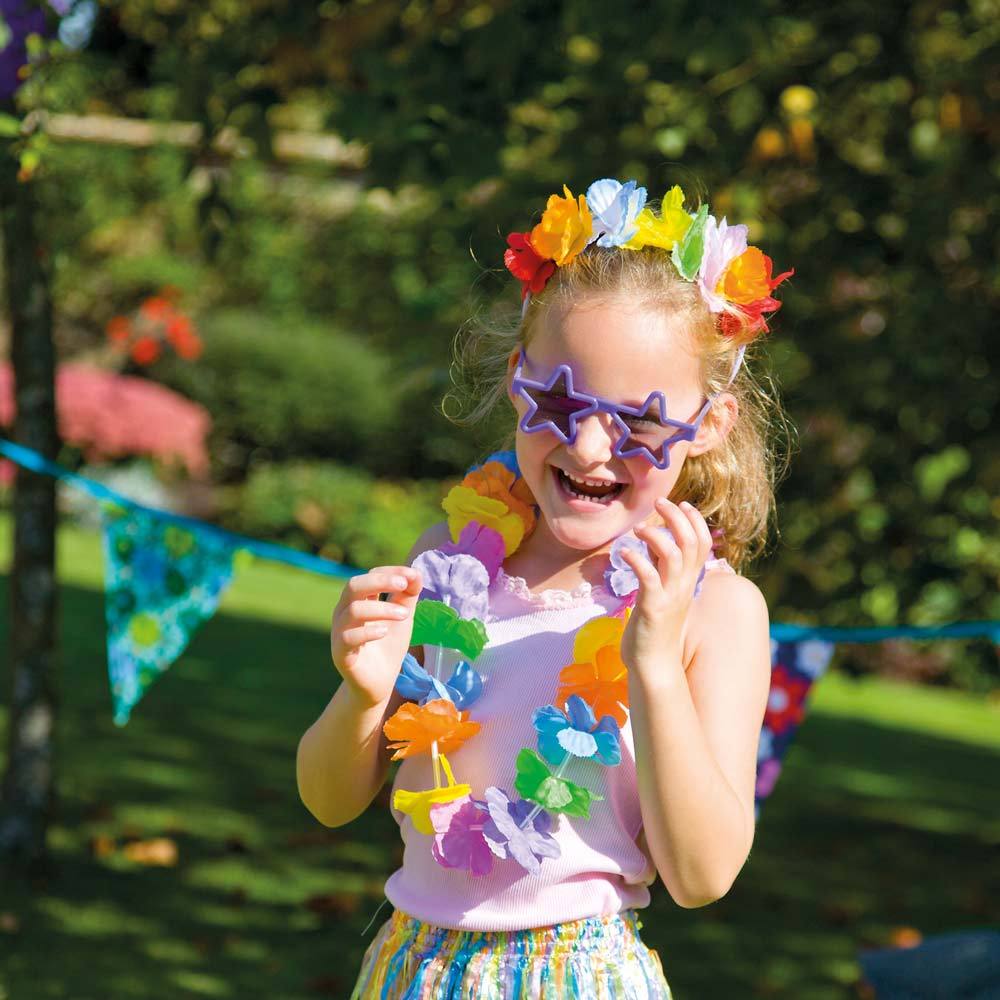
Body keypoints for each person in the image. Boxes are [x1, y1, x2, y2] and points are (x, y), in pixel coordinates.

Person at [297, 177, 792, 998]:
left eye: (637, 420)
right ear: (519, 377)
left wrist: (655, 668)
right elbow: (327, 800)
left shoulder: (716, 610)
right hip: (411, 970)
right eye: (561, 402)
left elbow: (703, 875)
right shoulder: (455, 564)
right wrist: (359, 696)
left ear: (708, 424)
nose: (591, 449)